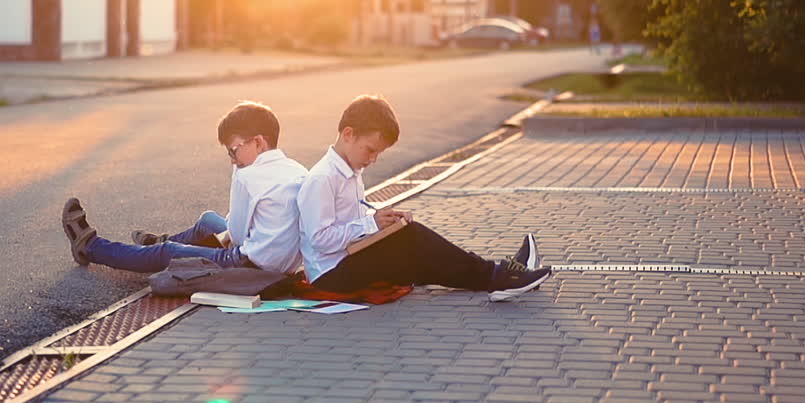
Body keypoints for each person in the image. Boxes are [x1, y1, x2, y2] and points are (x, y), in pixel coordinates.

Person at [297, 95, 551, 301]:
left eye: (378, 154)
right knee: (413, 238)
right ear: (348, 134)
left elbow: (351, 221)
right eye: (370, 150)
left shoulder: (351, 171)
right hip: (330, 275)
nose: (373, 159)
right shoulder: (322, 178)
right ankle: (499, 276)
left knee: (423, 256)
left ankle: (504, 275)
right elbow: (320, 240)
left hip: (349, 260)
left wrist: (384, 221)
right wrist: (371, 224)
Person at [62, 100, 308, 274]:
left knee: (168, 253)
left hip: (251, 265)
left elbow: (237, 236)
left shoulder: (248, 175)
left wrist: (238, 172)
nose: (232, 160)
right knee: (209, 220)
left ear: (258, 142)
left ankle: (90, 247)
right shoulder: (297, 170)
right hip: (282, 264)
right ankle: (155, 246)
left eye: (234, 151)